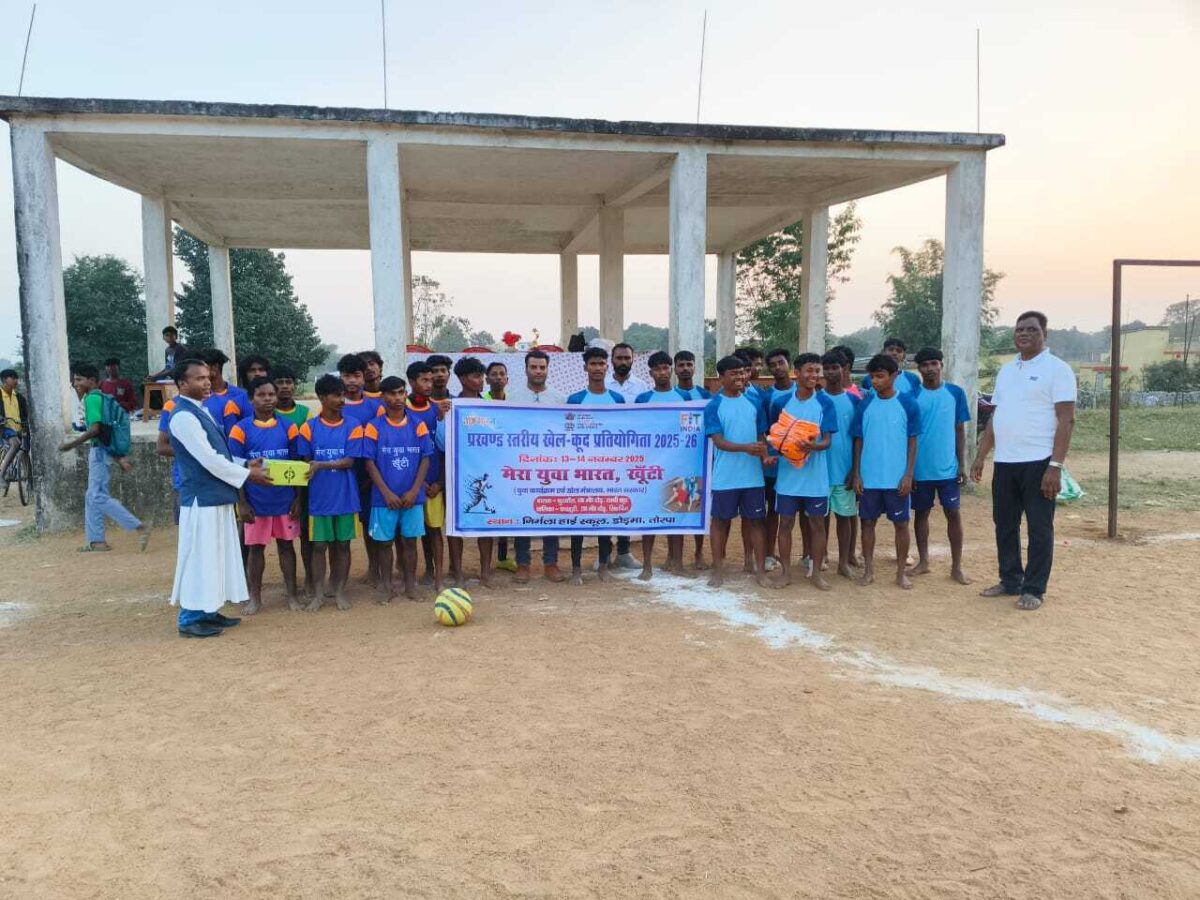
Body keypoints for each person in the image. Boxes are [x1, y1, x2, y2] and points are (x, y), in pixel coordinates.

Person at [972, 311, 1077, 611]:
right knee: (1004, 524)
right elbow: (996, 416)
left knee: (1039, 528)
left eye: (1032, 329)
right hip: (1006, 462)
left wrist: (1055, 466)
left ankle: (1033, 589)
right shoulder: (1007, 371)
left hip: (1039, 461)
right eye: (1019, 330)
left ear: (1045, 334)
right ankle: (1010, 580)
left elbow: (1066, 419)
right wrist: (981, 455)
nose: (1024, 334)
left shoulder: (1058, 370)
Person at [166, 358, 273, 638]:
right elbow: (209, 460)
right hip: (201, 500)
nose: (207, 382)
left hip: (216, 496)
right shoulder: (184, 417)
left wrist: (245, 463)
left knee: (214, 557)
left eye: (207, 377)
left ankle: (208, 611)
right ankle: (190, 618)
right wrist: (247, 474)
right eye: (199, 378)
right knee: (199, 557)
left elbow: (219, 455)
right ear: (182, 384)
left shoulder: (200, 410)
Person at [228, 377, 301, 614]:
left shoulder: (289, 427)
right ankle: (255, 598)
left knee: (286, 547)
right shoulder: (240, 430)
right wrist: (242, 503)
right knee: (255, 549)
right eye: (261, 395)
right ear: (251, 399)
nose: (268, 399)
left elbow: (298, 465)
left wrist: (298, 498)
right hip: (255, 502)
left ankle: (292, 596)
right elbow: (235, 467)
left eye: (271, 394)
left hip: (284, 500)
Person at [58, 362, 148, 553]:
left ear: (92, 380)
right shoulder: (101, 397)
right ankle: (96, 541)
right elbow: (107, 431)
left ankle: (137, 525)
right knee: (92, 496)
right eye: (74, 380)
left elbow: (95, 430)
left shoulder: (92, 399)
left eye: (79, 379)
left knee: (96, 495)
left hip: (99, 452)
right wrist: (119, 457)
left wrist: (71, 445)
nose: (75, 384)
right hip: (103, 451)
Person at [849, 354, 922, 589]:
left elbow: (913, 441)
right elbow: (858, 440)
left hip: (896, 479)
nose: (875, 381)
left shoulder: (908, 403)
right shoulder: (865, 404)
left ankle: (901, 573)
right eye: (872, 377)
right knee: (867, 523)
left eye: (880, 376)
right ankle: (869, 570)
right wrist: (857, 473)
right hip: (870, 479)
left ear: (894, 376)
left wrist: (908, 474)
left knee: (901, 524)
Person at [295, 375, 365, 611]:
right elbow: (306, 463)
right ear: (322, 398)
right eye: (336, 395)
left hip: (346, 497)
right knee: (318, 547)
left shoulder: (353, 425)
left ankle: (339, 591)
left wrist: (321, 465)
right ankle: (318, 594)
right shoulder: (308, 428)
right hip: (319, 499)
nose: (342, 400)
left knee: (343, 545)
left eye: (343, 395)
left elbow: (349, 461)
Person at [361, 375, 434, 601]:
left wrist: (414, 491)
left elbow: (425, 459)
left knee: (410, 542)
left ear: (406, 394)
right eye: (392, 394)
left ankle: (410, 586)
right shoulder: (374, 426)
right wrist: (386, 493)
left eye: (401, 392)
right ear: (383, 397)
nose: (397, 398)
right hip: (384, 498)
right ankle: (387, 587)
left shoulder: (418, 424)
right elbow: (369, 462)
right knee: (384, 544)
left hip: (412, 498)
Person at [769, 353, 837, 590]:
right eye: (809, 370)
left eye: (817, 371)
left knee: (817, 524)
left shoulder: (825, 403)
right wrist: (773, 453)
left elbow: (827, 441)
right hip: (788, 478)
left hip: (815, 478)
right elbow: (774, 436)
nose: (814, 375)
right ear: (796, 373)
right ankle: (786, 573)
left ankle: (815, 572)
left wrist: (812, 446)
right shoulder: (781, 403)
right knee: (785, 523)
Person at [704, 354, 771, 589]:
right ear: (721, 377)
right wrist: (745, 448)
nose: (740, 377)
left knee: (756, 523)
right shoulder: (714, 405)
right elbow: (718, 441)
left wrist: (765, 455)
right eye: (733, 374)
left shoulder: (754, 402)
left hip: (753, 477)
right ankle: (718, 570)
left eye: (742, 372)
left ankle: (760, 571)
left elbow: (762, 435)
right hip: (725, 477)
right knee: (720, 522)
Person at [908, 348, 972, 586]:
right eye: (925, 365)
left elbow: (959, 430)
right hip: (921, 470)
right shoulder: (913, 396)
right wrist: (909, 470)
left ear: (941, 365)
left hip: (948, 469)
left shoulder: (955, 393)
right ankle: (923, 561)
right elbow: (908, 435)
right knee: (921, 514)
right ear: (919, 369)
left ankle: (956, 567)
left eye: (934, 363)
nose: (930, 369)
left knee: (953, 514)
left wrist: (961, 464)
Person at [566, 347, 627, 583]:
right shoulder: (575, 400)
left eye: (601, 364)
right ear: (585, 368)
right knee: (577, 521)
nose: (597, 368)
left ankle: (603, 566)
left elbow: (622, 434)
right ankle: (576, 570)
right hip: (580, 471)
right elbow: (568, 435)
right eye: (593, 364)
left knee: (605, 520)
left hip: (608, 471)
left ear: (607, 367)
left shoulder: (617, 400)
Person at [507, 350, 566, 582]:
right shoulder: (513, 398)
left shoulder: (559, 399)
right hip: (522, 467)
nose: (538, 371)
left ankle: (551, 563)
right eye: (534, 367)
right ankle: (523, 564)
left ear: (548, 369)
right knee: (523, 514)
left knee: (551, 513)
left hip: (552, 466)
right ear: (526, 369)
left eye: (542, 367)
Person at [634, 351, 689, 579]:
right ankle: (647, 565)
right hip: (651, 467)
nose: (662, 372)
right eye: (657, 369)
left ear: (671, 370)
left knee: (678, 515)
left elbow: (692, 429)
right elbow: (637, 432)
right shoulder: (643, 399)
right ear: (650, 373)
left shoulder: (685, 398)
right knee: (650, 517)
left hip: (679, 465)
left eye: (666, 368)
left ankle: (677, 563)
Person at [444, 357, 496, 588]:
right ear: (463, 379)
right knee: (455, 525)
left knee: (487, 523)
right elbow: (442, 441)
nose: (481, 380)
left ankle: (485, 573)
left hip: (485, 471)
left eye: (482, 376)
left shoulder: (490, 405)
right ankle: (458, 573)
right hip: (457, 473)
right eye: (476, 376)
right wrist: (441, 417)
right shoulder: (452, 406)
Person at [338, 353, 385, 587]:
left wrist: (371, 476)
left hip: (369, 476)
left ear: (363, 377)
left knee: (369, 524)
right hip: (342, 477)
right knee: (342, 528)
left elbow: (381, 442)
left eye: (356, 375)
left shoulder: (376, 407)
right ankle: (339, 578)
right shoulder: (335, 406)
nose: (352, 381)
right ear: (341, 377)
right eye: (347, 376)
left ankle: (374, 569)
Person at [270, 364, 313, 593]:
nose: (285, 386)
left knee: (306, 533)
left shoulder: (305, 413)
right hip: (273, 485)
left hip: (301, 481)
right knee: (283, 538)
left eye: (289, 382)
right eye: (280, 382)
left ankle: (310, 579)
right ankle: (290, 585)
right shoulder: (267, 414)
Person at [820, 351, 862, 578]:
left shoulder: (854, 400)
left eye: (834, 367)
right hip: (820, 472)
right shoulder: (816, 399)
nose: (830, 372)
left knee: (845, 518)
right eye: (826, 368)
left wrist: (855, 470)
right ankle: (821, 556)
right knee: (821, 518)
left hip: (844, 471)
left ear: (844, 369)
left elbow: (858, 439)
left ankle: (843, 562)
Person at [405, 361, 445, 592]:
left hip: (434, 483)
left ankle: (438, 576)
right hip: (411, 484)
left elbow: (444, 449)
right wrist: (419, 483)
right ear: (412, 382)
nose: (429, 384)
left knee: (434, 530)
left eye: (431, 380)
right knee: (411, 533)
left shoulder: (438, 410)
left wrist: (439, 482)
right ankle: (414, 575)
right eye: (424, 380)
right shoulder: (402, 410)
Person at [672, 350, 710, 569]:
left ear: (695, 367)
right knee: (676, 508)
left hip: (699, 460)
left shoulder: (705, 395)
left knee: (698, 509)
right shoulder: (670, 396)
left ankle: (699, 553)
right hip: (675, 461)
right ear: (675, 369)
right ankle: (672, 556)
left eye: (689, 364)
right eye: (681, 365)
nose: (685, 368)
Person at [199, 349, 251, 435]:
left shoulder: (242, 395)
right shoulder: (198, 397)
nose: (198, 371)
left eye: (202, 367)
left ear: (215, 368)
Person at [1, 368, 29, 481]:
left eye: (16, 378)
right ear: (4, 380)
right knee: (15, 444)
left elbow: (25, 415)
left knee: (26, 447)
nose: (16, 380)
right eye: (13, 378)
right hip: (4, 428)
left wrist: (25, 425)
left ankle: (28, 478)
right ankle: (1, 474)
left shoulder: (19, 397)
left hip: (18, 427)